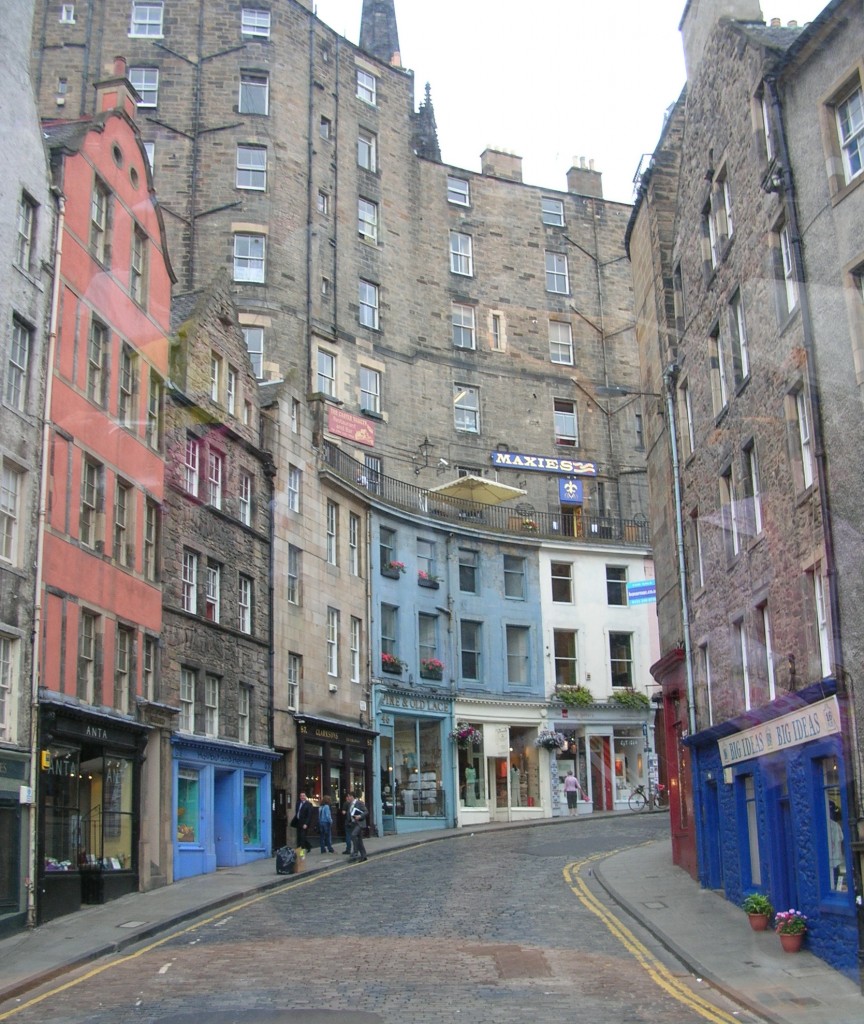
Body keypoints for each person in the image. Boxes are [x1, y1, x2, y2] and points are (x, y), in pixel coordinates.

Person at [346, 790, 368, 862]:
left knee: (353, 835)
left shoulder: (359, 803)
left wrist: (360, 816)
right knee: (359, 840)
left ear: (352, 796)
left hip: (359, 823)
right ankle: (363, 856)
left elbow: (366, 812)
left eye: (348, 796)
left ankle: (355, 851)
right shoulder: (350, 804)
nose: (347, 798)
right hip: (353, 824)